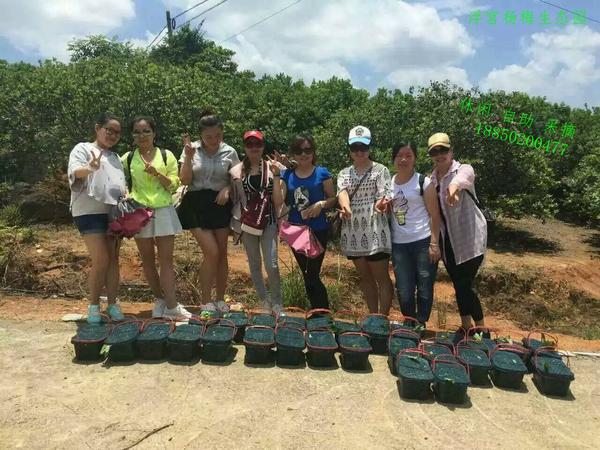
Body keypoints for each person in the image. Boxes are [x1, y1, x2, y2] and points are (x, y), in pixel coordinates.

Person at [121, 116, 191, 320]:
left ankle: (171, 305)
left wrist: (157, 174)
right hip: (138, 213)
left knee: (166, 261)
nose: (142, 135)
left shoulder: (166, 155)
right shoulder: (126, 158)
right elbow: (119, 181)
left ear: (154, 133)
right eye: (137, 132)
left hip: (163, 211)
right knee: (148, 261)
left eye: (146, 131)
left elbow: (174, 185)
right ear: (132, 135)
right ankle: (160, 300)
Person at [178, 110, 240, 311]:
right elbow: (185, 180)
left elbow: (238, 181)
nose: (214, 140)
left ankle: (220, 299)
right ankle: (205, 300)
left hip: (220, 204)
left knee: (222, 253)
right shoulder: (191, 149)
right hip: (195, 204)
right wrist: (188, 158)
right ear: (200, 136)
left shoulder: (230, 152)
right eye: (208, 137)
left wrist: (228, 189)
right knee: (211, 252)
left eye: (218, 135)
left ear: (222, 132)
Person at [67, 112, 126, 323]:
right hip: (87, 212)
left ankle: (112, 305)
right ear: (97, 128)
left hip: (112, 213)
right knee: (101, 258)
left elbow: (120, 185)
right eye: (109, 130)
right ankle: (93, 306)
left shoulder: (116, 157)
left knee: (113, 260)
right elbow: (76, 172)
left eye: (117, 133)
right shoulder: (82, 148)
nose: (112, 135)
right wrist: (90, 167)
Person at [427, 132, 488, 335]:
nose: (439, 154)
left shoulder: (463, 169)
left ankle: (481, 329)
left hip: (470, 239)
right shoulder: (431, 181)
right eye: (435, 151)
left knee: (465, 284)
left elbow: (463, 180)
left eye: (443, 150)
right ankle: (466, 326)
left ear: (451, 151)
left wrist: (453, 188)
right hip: (448, 242)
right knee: (458, 284)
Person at [384, 142, 441, 327]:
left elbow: (435, 215)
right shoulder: (388, 184)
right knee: (404, 289)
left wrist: (434, 243)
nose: (403, 159)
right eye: (400, 155)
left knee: (424, 286)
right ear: (393, 158)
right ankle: (410, 321)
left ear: (415, 157)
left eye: (408, 155)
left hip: (422, 241)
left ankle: (421, 323)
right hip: (399, 244)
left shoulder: (423, 182)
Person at [337, 125, 394, 315]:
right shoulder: (344, 173)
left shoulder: (381, 170)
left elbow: (383, 195)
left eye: (363, 147)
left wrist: (380, 204)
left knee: (381, 277)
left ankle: (382, 318)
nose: (359, 152)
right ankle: (372, 316)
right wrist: (345, 207)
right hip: (353, 230)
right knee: (365, 278)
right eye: (355, 148)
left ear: (370, 148)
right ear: (350, 149)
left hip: (375, 229)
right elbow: (342, 193)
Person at [230, 131, 284, 313]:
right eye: (249, 144)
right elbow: (234, 196)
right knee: (254, 264)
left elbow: (278, 201)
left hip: (268, 221)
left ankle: (277, 302)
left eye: (258, 144)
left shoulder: (273, 168)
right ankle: (264, 301)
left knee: (272, 264)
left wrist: (277, 177)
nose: (254, 148)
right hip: (247, 223)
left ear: (263, 146)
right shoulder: (236, 171)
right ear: (245, 147)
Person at [281, 133, 336, 310]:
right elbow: (281, 200)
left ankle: (322, 313)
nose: (303, 154)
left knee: (312, 274)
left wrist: (321, 204)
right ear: (293, 153)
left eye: (307, 150)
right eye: (298, 150)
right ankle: (318, 312)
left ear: (313, 152)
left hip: (318, 230)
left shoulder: (322, 173)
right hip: (297, 231)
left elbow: (333, 198)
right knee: (306, 274)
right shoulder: (287, 175)